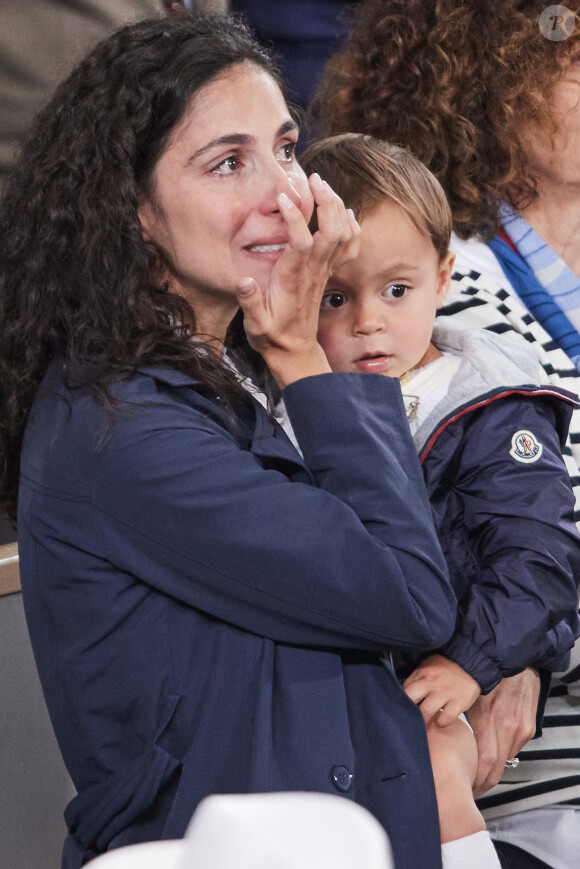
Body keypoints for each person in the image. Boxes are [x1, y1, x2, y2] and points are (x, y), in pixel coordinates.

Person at [0, 13, 458, 869]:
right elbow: (405, 593)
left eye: (286, 150)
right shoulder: (120, 429)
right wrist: (305, 358)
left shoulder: (230, 363)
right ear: (132, 209)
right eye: (227, 164)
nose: (282, 193)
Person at [317, 3, 580, 866]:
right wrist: (515, 651)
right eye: (563, 44)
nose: (368, 318)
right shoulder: (437, 280)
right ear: (478, 67)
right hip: (511, 770)